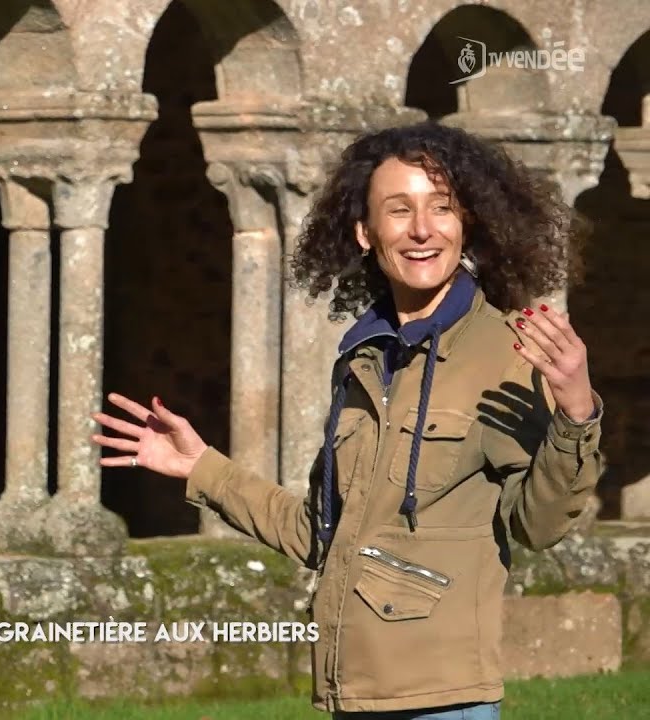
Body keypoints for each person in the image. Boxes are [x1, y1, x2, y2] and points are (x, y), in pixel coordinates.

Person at [92, 122, 604, 719]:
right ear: (365, 231)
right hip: (352, 695)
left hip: (443, 702)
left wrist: (576, 413)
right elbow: (321, 534)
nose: (421, 229)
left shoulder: (505, 352)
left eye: (442, 208)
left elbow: (537, 527)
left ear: (467, 223)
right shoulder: (362, 359)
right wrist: (201, 467)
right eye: (399, 209)